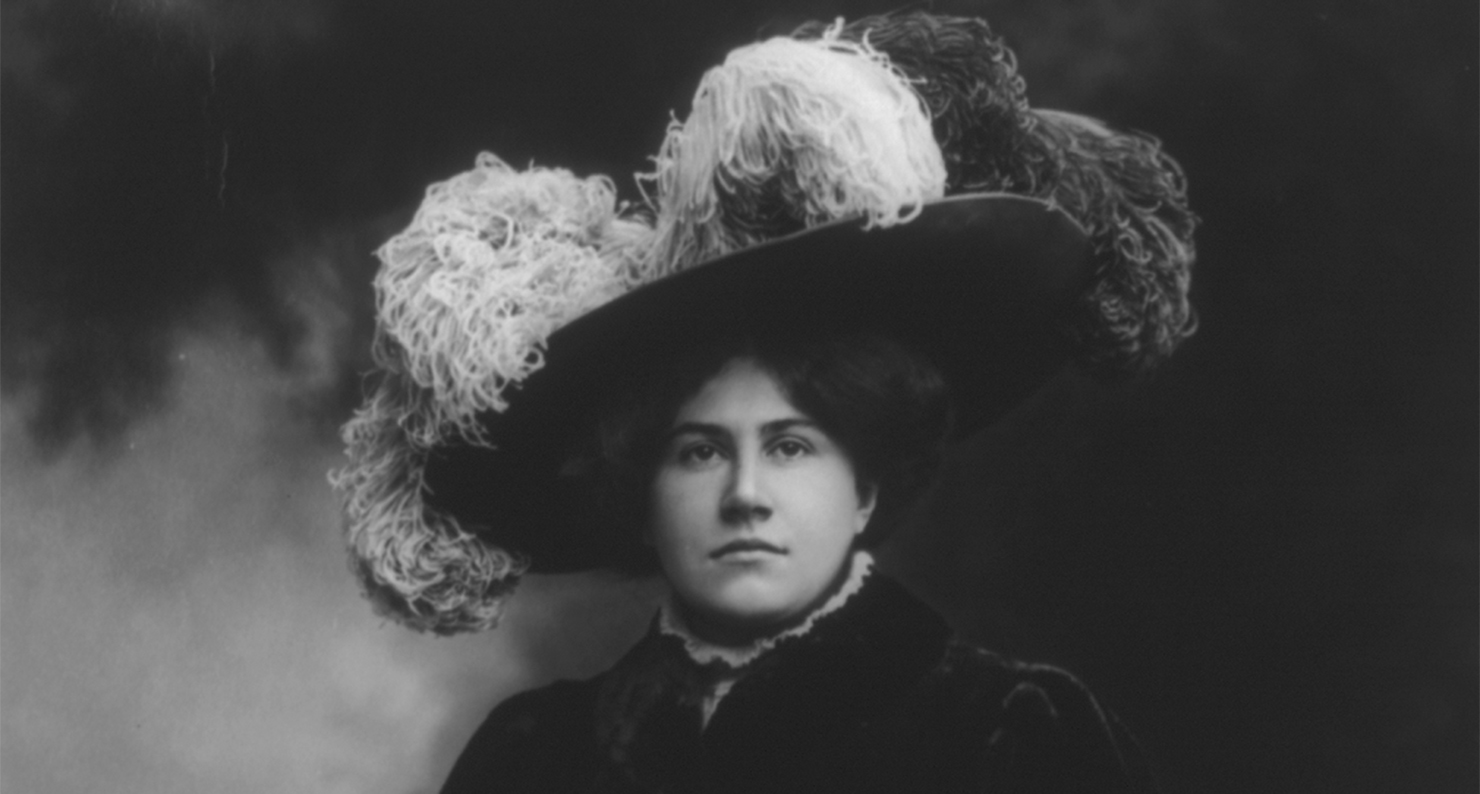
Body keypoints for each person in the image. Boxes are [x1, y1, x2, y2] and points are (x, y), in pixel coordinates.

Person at [331, 10, 1196, 793]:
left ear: (866, 487)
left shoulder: (1009, 731)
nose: (745, 494)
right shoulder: (532, 757)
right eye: (699, 451)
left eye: (791, 446)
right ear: (638, 498)